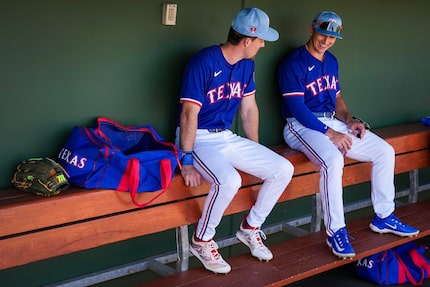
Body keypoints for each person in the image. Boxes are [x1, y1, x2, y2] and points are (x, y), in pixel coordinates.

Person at [277, 11, 419, 259]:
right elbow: (297, 108)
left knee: (384, 151)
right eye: (323, 34)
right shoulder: (294, 62)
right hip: (299, 126)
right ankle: (336, 232)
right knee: (333, 160)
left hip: (331, 122)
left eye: (332, 37)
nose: (326, 40)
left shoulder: (331, 61)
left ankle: (384, 217)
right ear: (312, 30)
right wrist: (330, 133)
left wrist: (349, 120)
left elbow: (338, 98)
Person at [175, 7, 294, 274]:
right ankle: (202, 240)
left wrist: (255, 148)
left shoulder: (246, 64)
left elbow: (249, 109)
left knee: (282, 168)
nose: (264, 44)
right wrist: (187, 159)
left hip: (226, 137)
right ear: (247, 40)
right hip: (200, 138)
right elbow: (188, 113)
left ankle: (250, 227)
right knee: (230, 180)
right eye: (262, 39)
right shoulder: (203, 62)